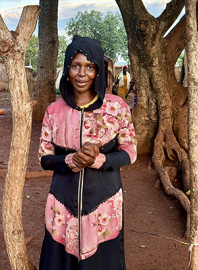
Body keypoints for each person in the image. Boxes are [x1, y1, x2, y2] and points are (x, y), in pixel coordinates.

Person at [38, 36, 137, 269]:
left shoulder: (116, 107)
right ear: (67, 69)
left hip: (105, 203)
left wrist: (98, 159)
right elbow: (44, 158)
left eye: (89, 67)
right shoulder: (53, 111)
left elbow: (130, 152)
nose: (82, 74)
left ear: (98, 72)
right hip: (62, 204)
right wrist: (69, 159)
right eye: (75, 66)